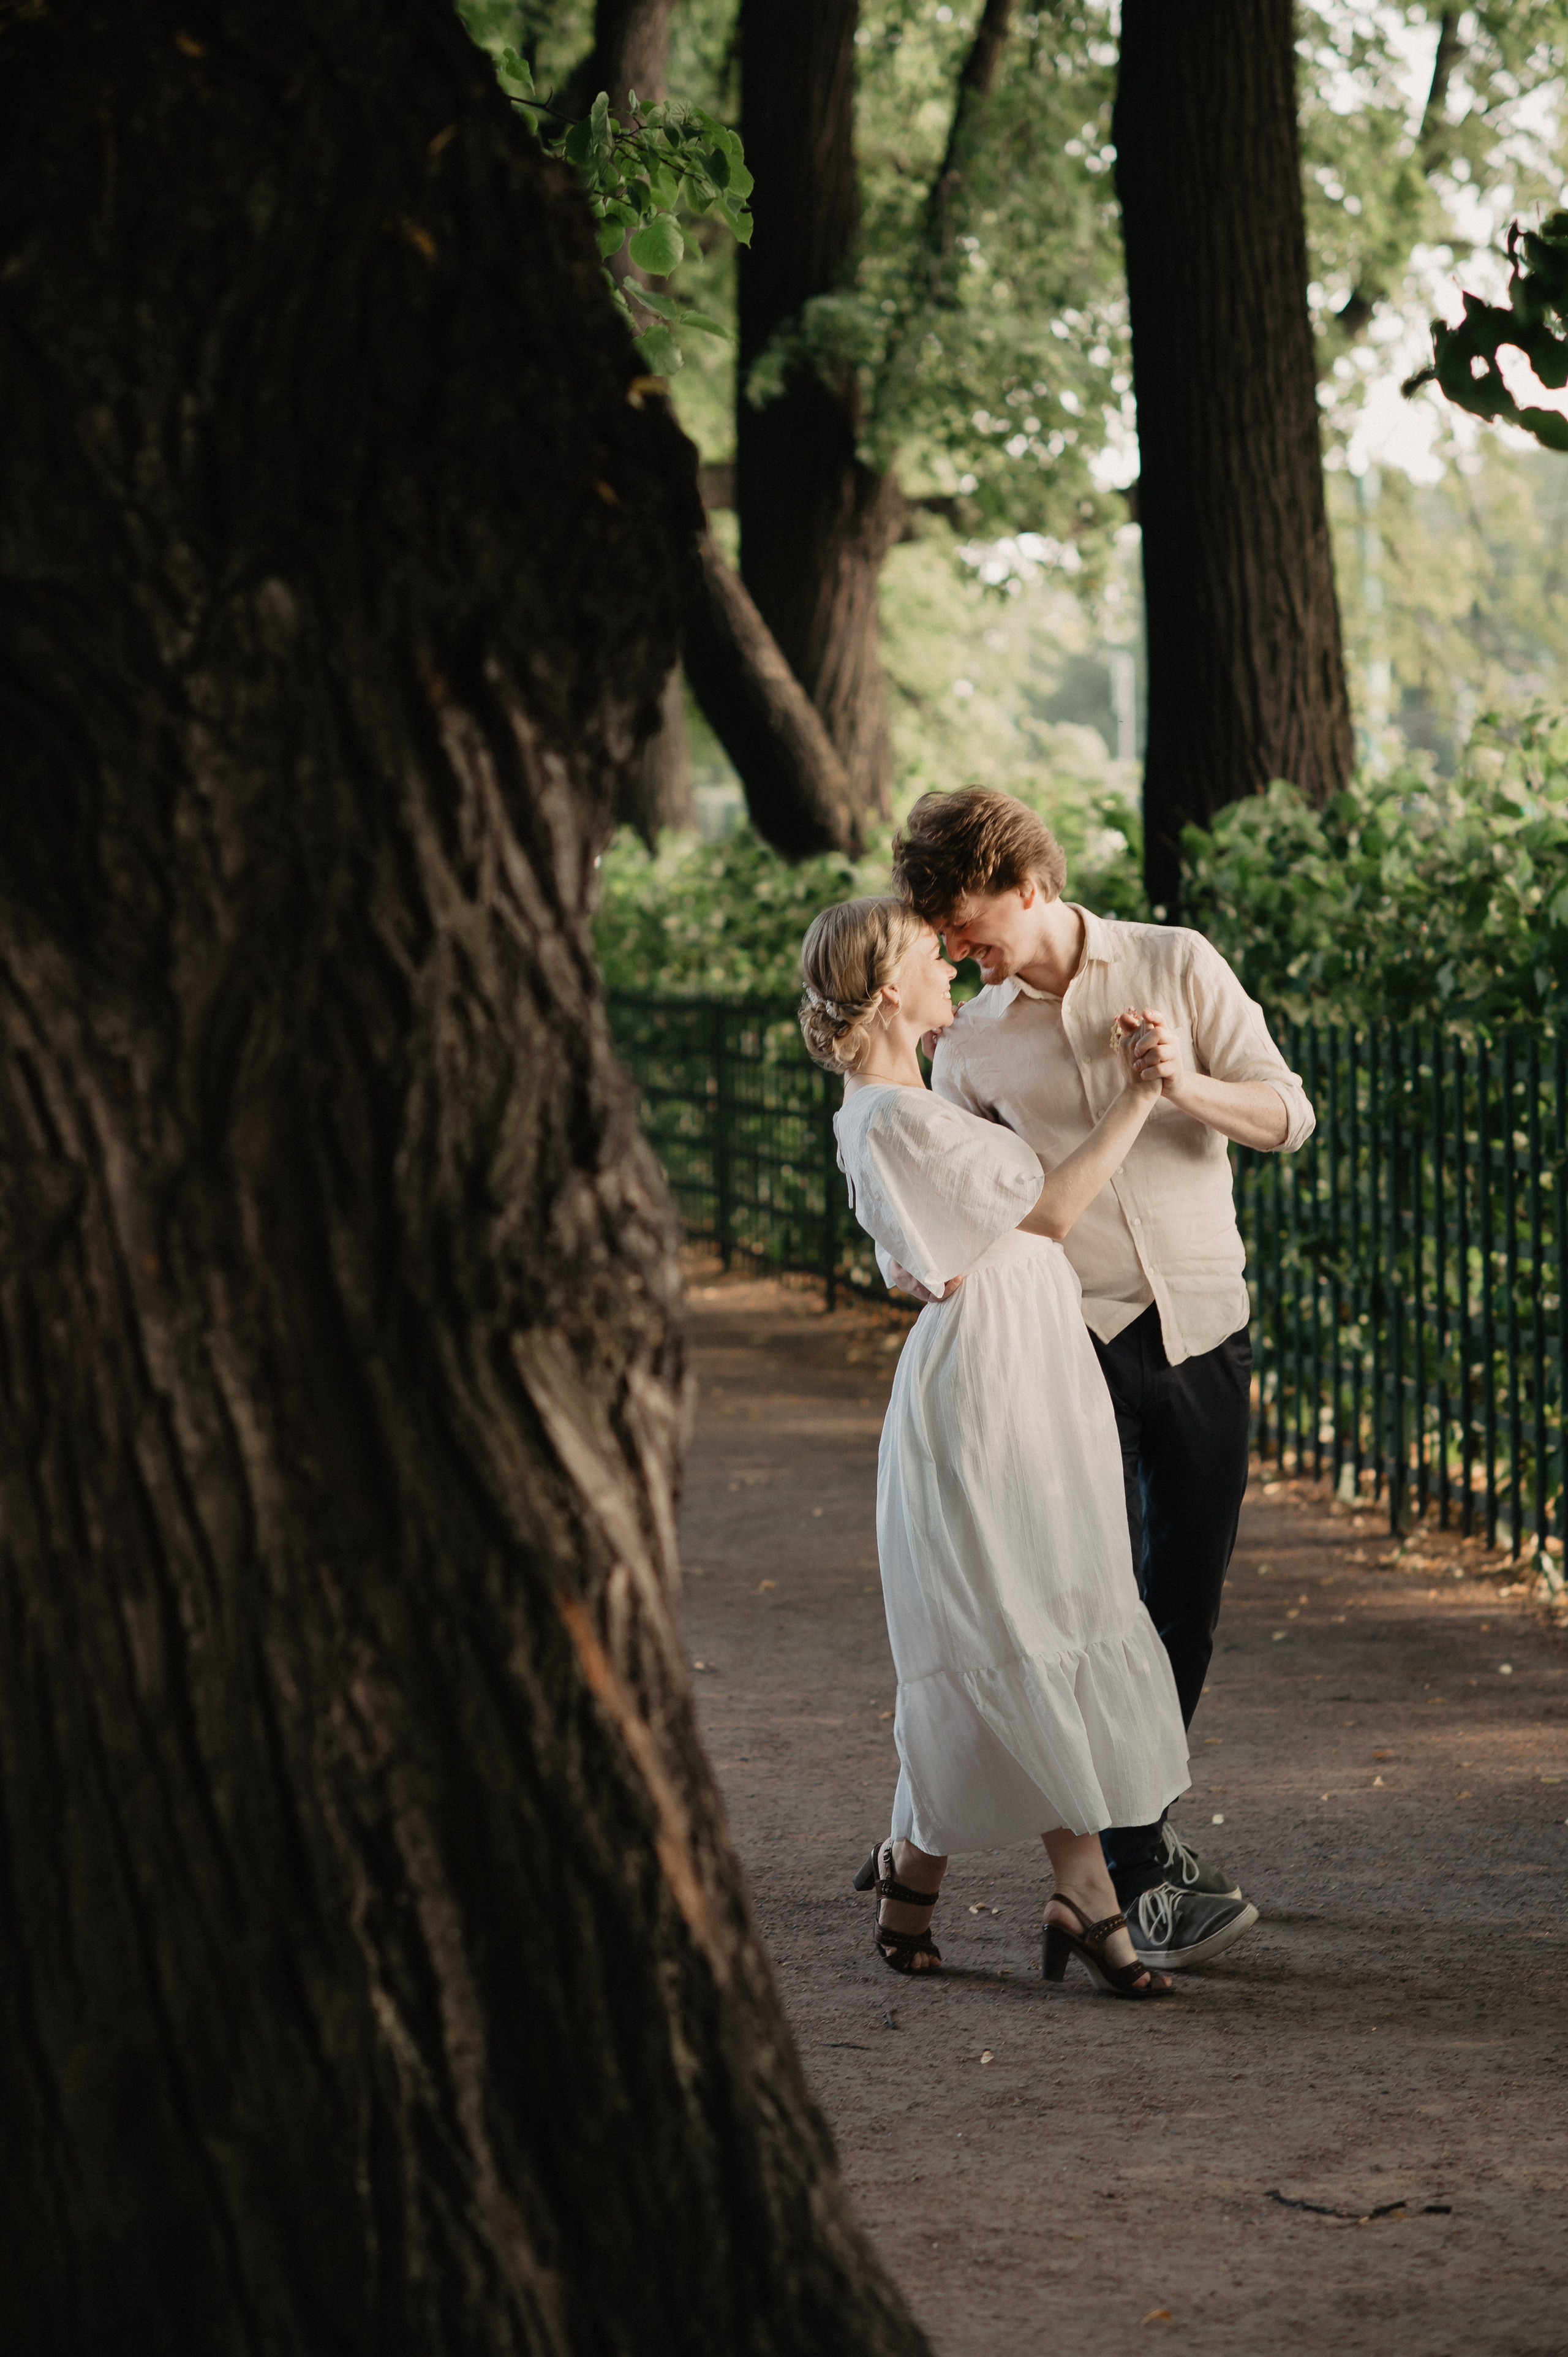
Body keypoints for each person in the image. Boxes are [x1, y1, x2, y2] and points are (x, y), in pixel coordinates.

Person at [884, 786, 1314, 1973]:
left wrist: (1177, 1088)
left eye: (973, 927)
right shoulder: (967, 1045)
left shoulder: (1176, 964)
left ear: (1030, 883)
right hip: (1057, 1344)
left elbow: (1287, 1114)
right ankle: (1124, 1872)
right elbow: (968, 1208)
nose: (963, 953)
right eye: (950, 940)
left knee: (1182, 1595)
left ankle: (1106, 1851)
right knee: (1066, 1592)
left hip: (1199, 1327)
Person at [801, 893, 1194, 1999]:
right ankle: (1086, 1894)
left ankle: (912, 1886)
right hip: (990, 1386)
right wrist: (1136, 1099)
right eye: (935, 957)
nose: (952, 970)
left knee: (1034, 1610)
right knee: (1023, 1613)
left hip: (1026, 1367)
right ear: (888, 990)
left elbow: (941, 1253)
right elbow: (1048, 1219)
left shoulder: (902, 1106)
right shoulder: (890, 1116)